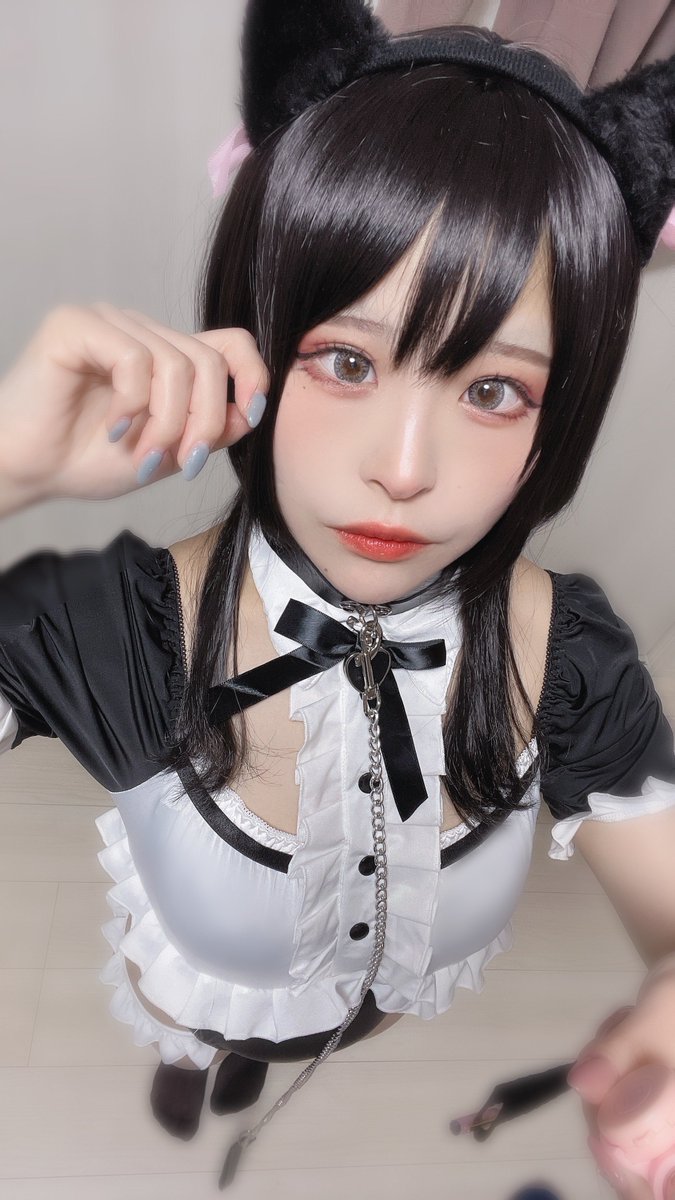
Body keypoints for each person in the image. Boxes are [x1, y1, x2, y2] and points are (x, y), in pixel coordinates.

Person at [1, 1, 675, 1192]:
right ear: (255, 338)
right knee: (202, 1034)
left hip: (366, 1009)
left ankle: (257, 1063)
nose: (404, 471)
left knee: (304, 1033)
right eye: (348, 361)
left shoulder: (569, 658)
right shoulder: (112, 631)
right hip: (196, 983)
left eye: (495, 391)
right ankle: (200, 1057)